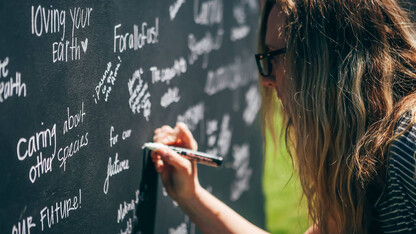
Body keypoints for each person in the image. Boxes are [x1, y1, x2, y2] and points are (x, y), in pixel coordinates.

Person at [151, 0, 416, 233]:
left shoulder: (407, 145)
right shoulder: (361, 159)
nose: (266, 79)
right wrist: (191, 196)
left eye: (274, 56)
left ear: (322, 60)